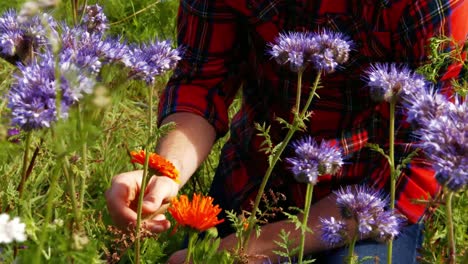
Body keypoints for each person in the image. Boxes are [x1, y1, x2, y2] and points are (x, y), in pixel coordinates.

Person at [105, 0, 467, 263]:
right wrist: (165, 174)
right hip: (253, 180)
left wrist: (241, 250)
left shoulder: (434, 5)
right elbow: (201, 82)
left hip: (366, 202)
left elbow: (414, 166)